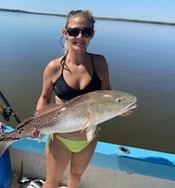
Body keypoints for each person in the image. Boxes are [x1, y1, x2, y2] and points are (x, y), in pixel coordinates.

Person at [33, 9, 120, 188]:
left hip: (89, 140)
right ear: (65, 33)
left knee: (76, 178)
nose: (80, 36)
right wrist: (37, 122)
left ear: (92, 35)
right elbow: (44, 97)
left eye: (86, 31)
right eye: (74, 31)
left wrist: (121, 109)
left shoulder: (100, 63)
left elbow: (108, 97)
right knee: (51, 182)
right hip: (60, 139)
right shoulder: (53, 67)